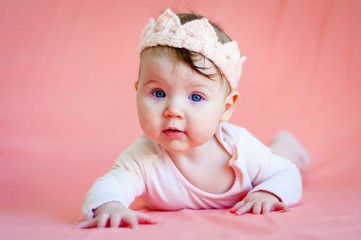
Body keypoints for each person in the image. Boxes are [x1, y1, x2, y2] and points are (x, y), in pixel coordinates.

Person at [77, 8, 310, 229]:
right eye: (159, 93)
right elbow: (108, 187)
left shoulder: (241, 149)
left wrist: (267, 193)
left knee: (279, 159)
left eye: (196, 97)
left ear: (226, 107)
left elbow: (286, 174)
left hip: (263, 165)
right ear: (137, 91)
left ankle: (286, 143)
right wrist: (110, 206)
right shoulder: (142, 159)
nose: (173, 110)